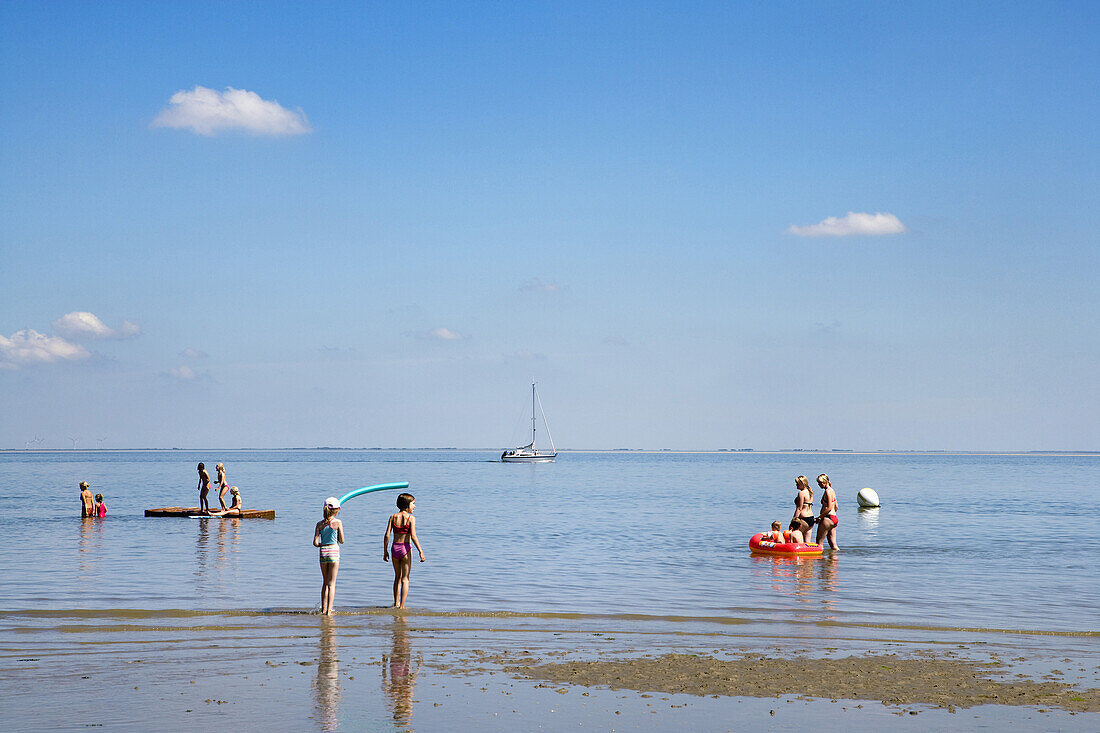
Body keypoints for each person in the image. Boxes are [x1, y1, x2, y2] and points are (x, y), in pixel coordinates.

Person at [383, 493, 425, 609]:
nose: (414, 506)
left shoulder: (393, 517)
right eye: (413, 504)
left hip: (395, 548)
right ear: (407, 505)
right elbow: (414, 536)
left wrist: (385, 550)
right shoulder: (411, 518)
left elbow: (387, 535)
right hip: (405, 548)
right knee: (405, 579)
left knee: (397, 577)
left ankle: (396, 603)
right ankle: (402, 606)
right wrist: (420, 551)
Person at [313, 497, 344, 615]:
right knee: (332, 583)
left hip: (323, 553)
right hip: (334, 552)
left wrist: (322, 544)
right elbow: (342, 540)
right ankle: (329, 611)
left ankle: (323, 609)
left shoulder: (319, 524)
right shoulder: (338, 523)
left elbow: (315, 543)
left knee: (325, 582)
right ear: (336, 510)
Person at [815, 473, 839, 549]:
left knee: (819, 543)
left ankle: (818, 559)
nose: (819, 484)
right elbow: (836, 507)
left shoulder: (827, 492)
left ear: (825, 482)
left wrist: (820, 517)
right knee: (833, 545)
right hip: (834, 518)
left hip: (827, 519)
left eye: (820, 482)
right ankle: (834, 559)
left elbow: (829, 508)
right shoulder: (832, 490)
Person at [791, 475, 815, 540]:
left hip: (803, 518)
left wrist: (793, 520)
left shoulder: (801, 493)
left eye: (797, 483)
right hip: (811, 518)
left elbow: (799, 508)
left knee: (797, 538)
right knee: (807, 542)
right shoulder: (810, 492)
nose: (796, 485)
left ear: (802, 483)